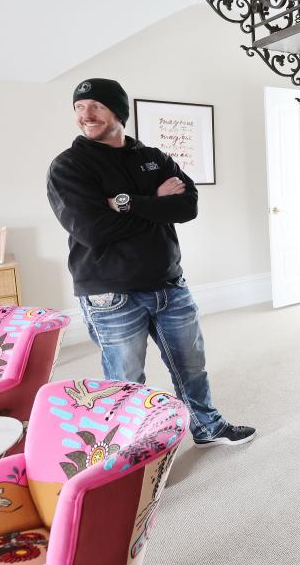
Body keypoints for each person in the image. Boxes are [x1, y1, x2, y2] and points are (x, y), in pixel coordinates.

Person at [47, 78, 255, 448]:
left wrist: (124, 202)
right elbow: (93, 228)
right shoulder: (69, 166)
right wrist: (154, 201)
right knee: (126, 380)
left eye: (96, 106)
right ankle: (126, 447)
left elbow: (186, 206)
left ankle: (207, 426)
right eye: (79, 108)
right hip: (110, 294)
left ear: (118, 111)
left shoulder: (154, 157)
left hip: (169, 284)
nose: (86, 115)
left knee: (191, 367)